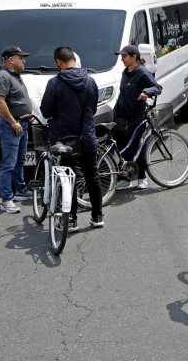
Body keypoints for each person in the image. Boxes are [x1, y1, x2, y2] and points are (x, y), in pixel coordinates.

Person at [40, 46, 104, 229]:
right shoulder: (91, 82)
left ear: (58, 62)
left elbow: (45, 111)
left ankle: (72, 220)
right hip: (87, 138)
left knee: (68, 178)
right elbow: (93, 108)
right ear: (74, 60)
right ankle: (98, 217)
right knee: (92, 176)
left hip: (63, 140)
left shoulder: (54, 83)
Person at [113, 45, 162, 191]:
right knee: (122, 148)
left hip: (136, 117)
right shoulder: (125, 72)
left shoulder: (142, 72)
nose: (122, 59)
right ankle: (126, 178)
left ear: (134, 57)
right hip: (122, 117)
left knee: (137, 149)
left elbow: (157, 87)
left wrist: (146, 92)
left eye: (124, 56)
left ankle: (142, 178)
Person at [0, 45, 34, 213]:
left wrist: (29, 113)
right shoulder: (2, 76)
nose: (24, 60)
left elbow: (21, 99)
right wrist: (13, 122)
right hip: (11, 126)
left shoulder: (15, 76)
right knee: (8, 164)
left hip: (20, 124)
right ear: (11, 59)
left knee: (19, 161)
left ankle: (21, 191)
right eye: (21, 57)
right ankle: (6, 200)